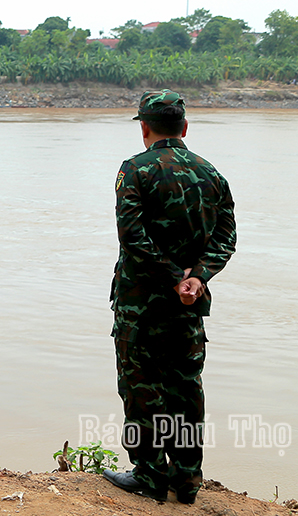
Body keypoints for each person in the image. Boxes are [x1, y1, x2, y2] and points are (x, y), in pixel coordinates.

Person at [103, 90, 237, 505]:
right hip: (188, 307)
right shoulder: (211, 174)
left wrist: (171, 276)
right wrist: (196, 278)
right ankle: (187, 479)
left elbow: (133, 236)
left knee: (141, 387)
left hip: (141, 306)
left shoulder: (135, 170)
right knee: (185, 388)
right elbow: (225, 238)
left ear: (144, 127)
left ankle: (149, 474)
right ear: (184, 127)